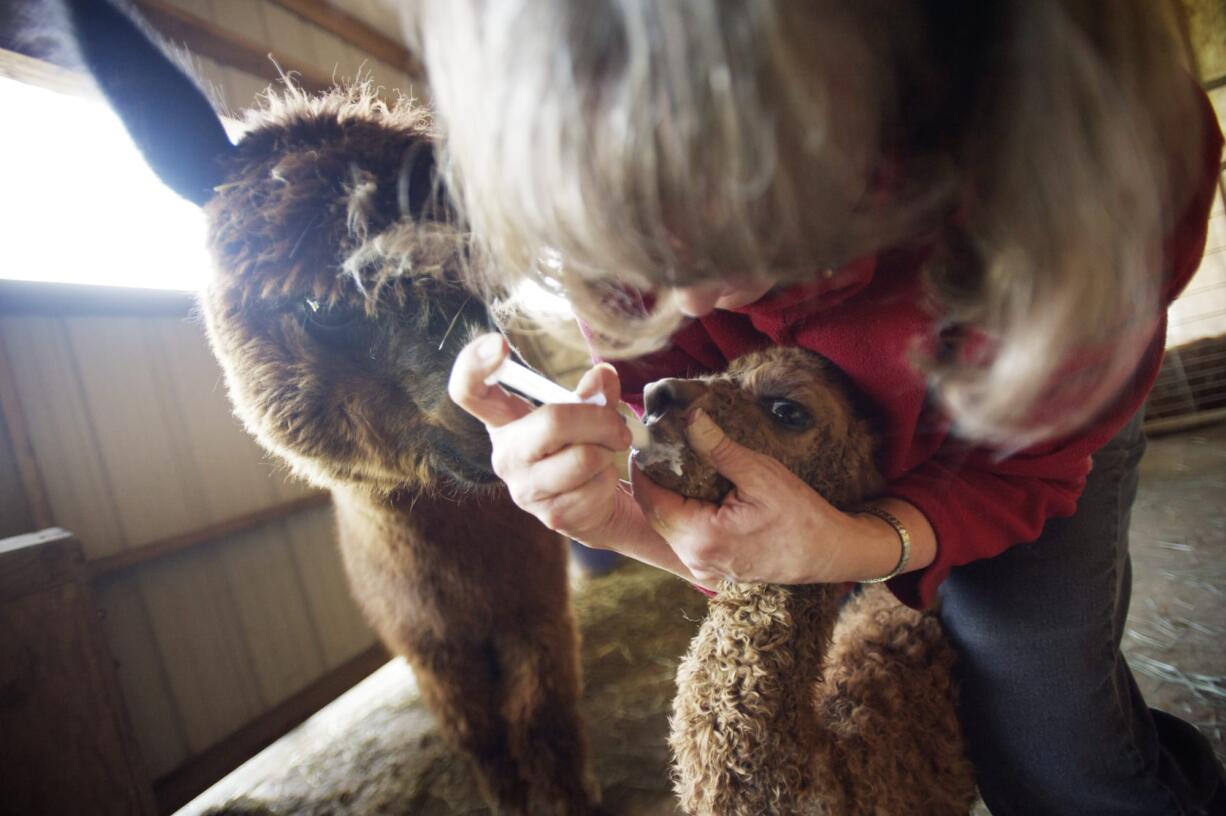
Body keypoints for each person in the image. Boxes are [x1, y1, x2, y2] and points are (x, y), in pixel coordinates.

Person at [416, 1, 1226, 813]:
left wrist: (863, 542)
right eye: (634, 257)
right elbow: (655, 398)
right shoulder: (632, 222)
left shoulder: (1095, 170)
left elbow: (1028, 473)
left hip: (1019, 444)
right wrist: (620, 508)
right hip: (811, 461)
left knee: (1042, 732)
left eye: (758, 228)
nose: (691, 301)